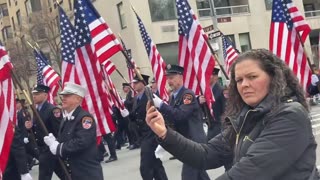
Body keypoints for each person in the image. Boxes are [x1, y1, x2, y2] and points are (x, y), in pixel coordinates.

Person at [146, 49, 318, 180]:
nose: (244, 85)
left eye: (252, 77)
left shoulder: (290, 115)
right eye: (239, 80)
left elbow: (249, 171)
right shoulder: (246, 117)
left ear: (274, 77)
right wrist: (164, 133)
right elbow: (206, 154)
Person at [152, 64, 210, 180]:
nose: (169, 81)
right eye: (168, 78)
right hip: (186, 141)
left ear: (180, 77)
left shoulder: (187, 95)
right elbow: (173, 120)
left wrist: (162, 105)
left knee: (188, 176)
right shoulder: (173, 97)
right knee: (200, 176)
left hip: (194, 142)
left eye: (172, 77)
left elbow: (180, 115)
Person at [43, 82, 103, 180]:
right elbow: (66, 138)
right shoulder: (66, 119)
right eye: (63, 96)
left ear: (78, 99)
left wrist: (59, 148)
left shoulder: (85, 118)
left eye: (68, 96)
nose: (63, 98)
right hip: (73, 172)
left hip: (86, 173)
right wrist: (55, 142)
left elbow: (81, 142)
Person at [129, 74, 168, 180]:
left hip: (151, 134)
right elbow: (135, 114)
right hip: (142, 134)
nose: (134, 85)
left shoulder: (150, 96)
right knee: (156, 165)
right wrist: (128, 114)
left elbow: (157, 114)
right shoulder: (137, 97)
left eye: (136, 83)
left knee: (145, 167)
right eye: (133, 83)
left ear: (143, 83)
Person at [25, 84, 65, 180]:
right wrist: (30, 128)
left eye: (37, 94)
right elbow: (38, 129)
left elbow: (59, 130)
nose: (34, 96)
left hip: (50, 150)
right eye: (34, 94)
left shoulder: (52, 110)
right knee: (64, 175)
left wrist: (56, 147)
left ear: (45, 95)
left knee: (44, 177)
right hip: (42, 149)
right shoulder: (37, 110)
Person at [199, 67, 226, 140]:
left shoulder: (221, 91)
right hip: (210, 126)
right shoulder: (207, 91)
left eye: (209, 75)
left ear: (215, 77)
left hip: (220, 127)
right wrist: (200, 103)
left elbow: (225, 111)